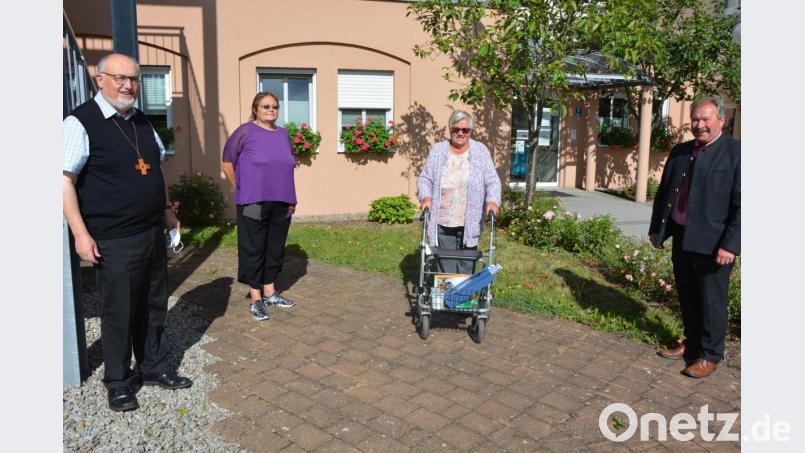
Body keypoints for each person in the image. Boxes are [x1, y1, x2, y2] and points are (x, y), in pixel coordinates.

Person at [63, 53, 192, 412]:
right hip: (113, 237)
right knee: (119, 310)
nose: (128, 85)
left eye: (134, 79)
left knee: (153, 306)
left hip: (151, 232)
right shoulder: (80, 123)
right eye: (120, 78)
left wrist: (167, 211)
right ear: (99, 78)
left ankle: (151, 367)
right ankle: (118, 381)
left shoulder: (141, 122)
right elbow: (64, 182)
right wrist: (80, 233)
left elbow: (155, 171)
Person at [649, 95, 740, 379]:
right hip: (682, 236)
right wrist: (657, 228)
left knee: (711, 301)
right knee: (688, 296)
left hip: (715, 244)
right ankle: (691, 344)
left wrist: (731, 244)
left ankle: (710, 354)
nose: (699, 125)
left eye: (706, 119)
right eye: (695, 119)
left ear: (721, 121)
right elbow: (664, 194)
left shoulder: (736, 154)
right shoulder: (680, 152)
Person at [222, 92, 297, 321]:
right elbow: (227, 162)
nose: (271, 110)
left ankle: (270, 292)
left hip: (282, 202)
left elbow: (287, 166)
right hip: (253, 202)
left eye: (274, 106)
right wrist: (241, 188)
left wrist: (292, 200)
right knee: (253, 246)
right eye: (265, 106)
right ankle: (256, 297)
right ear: (255, 109)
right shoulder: (245, 131)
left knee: (275, 247)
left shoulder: (283, 135)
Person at [417, 110, 501, 274]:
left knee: (466, 264)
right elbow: (425, 179)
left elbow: (492, 180)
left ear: (470, 131)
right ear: (450, 129)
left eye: (465, 130)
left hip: (470, 219)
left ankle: (462, 298)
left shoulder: (481, 151)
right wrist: (426, 197)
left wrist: (492, 201)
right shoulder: (437, 151)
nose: (460, 133)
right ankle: (446, 297)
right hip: (443, 219)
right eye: (456, 129)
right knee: (446, 265)